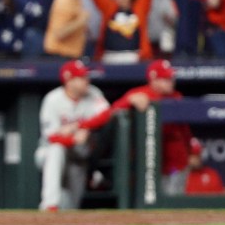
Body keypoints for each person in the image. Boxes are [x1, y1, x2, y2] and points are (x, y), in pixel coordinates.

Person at [78, 59, 193, 195]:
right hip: (149, 163)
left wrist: (190, 152)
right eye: (165, 78)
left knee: (174, 203)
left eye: (171, 77)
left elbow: (185, 130)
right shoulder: (140, 93)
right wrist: (128, 101)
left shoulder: (177, 97)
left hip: (175, 164)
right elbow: (110, 113)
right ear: (153, 79)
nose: (171, 81)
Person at [35, 60, 111, 211]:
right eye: (81, 77)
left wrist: (80, 126)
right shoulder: (53, 99)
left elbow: (106, 114)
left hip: (79, 156)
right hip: (49, 152)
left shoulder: (93, 93)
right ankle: (50, 205)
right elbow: (51, 137)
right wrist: (73, 138)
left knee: (72, 206)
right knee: (56, 150)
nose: (86, 80)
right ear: (68, 80)